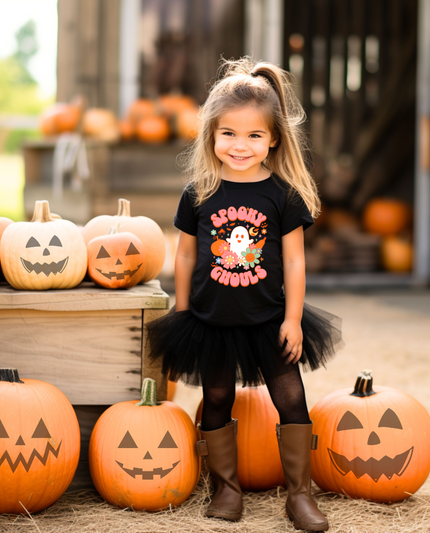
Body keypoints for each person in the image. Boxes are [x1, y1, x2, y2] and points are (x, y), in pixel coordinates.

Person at [148, 57, 344, 532]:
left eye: (254, 135)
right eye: (229, 134)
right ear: (210, 136)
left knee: (291, 400)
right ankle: (227, 487)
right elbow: (188, 256)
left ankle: (300, 496)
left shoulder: (283, 195)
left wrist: (293, 319)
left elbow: (294, 262)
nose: (240, 145)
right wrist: (184, 309)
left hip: (267, 320)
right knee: (217, 399)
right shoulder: (199, 192)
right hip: (212, 322)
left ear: (273, 139)